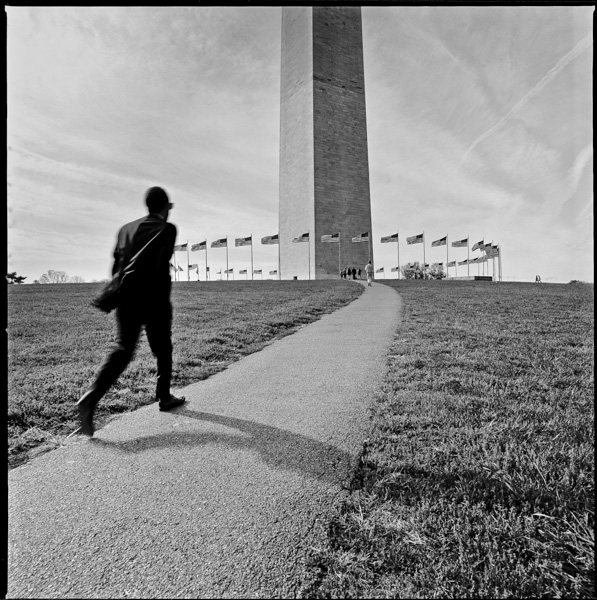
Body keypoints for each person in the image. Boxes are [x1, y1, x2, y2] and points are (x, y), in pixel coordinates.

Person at [77, 186, 186, 436]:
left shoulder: (124, 229)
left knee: (123, 349)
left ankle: (89, 399)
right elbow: (159, 264)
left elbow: (116, 265)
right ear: (164, 207)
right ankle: (164, 396)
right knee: (163, 347)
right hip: (154, 298)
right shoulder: (167, 228)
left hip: (125, 297)